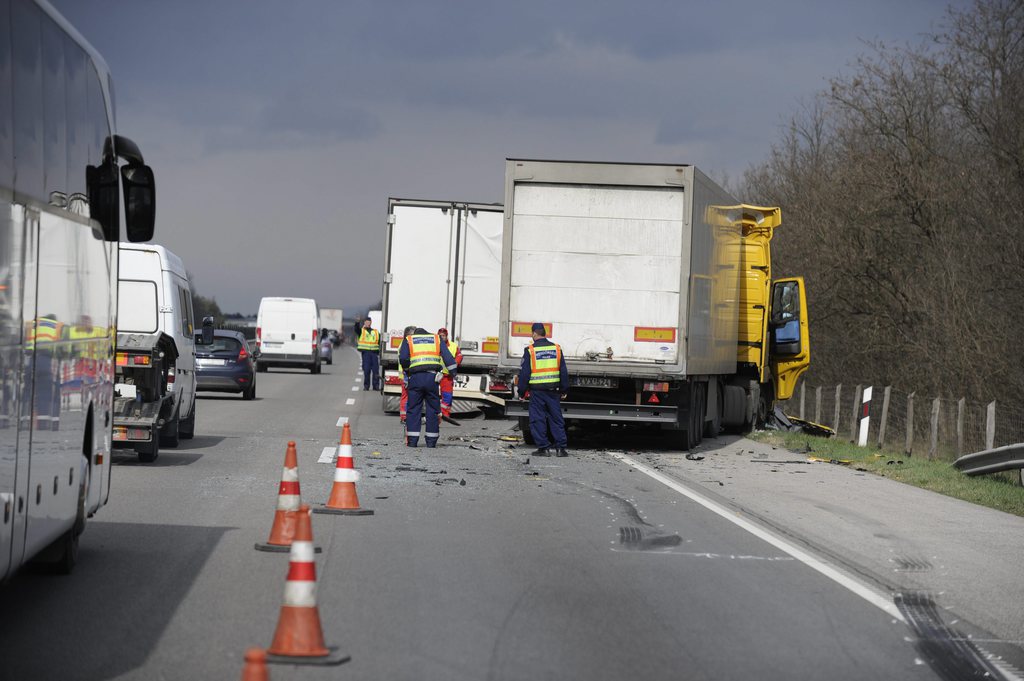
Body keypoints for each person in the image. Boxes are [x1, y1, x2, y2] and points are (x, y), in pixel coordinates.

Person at [398, 327, 457, 448]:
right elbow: (448, 357)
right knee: (433, 409)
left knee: (414, 409)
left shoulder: (409, 340)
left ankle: (412, 441)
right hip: (432, 379)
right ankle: (431, 442)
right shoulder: (436, 339)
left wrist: (407, 370)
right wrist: (453, 372)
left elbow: (403, 358)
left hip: (415, 378)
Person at [518, 322, 570, 456]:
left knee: (537, 419)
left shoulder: (530, 350)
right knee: (556, 419)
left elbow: (524, 374)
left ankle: (544, 448)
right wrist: (564, 390)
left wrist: (521, 392)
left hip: (537, 392)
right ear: (544, 333)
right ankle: (560, 449)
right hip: (553, 391)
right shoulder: (557, 349)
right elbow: (563, 371)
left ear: (534, 333)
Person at [437, 327, 463, 423]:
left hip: (447, 375)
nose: (442, 337)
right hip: (436, 374)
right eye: (440, 336)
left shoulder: (453, 345)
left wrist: (455, 364)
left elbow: (459, 355)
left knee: (447, 396)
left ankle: (445, 415)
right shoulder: (435, 345)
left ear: (447, 336)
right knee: (434, 396)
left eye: (443, 336)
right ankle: (439, 415)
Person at [398, 324, 417, 423]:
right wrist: (406, 378)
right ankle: (404, 417)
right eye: (412, 335)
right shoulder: (405, 345)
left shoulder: (406, 344)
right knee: (406, 396)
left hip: (409, 374)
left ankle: (408, 416)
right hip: (406, 375)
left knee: (411, 396)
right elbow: (405, 361)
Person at [357, 317, 380, 391]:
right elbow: (356, 329)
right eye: (366, 322)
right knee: (366, 370)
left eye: (369, 322)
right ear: (364, 323)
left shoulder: (375, 332)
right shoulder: (361, 331)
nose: (368, 323)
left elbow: (379, 341)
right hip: (366, 353)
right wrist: (357, 322)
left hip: (374, 353)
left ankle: (376, 386)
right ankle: (366, 386)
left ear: (371, 323)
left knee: (375, 370)